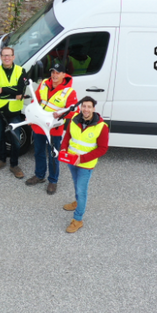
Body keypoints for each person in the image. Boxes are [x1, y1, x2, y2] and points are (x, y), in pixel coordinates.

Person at [58, 96, 110, 234]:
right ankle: (77, 203)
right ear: (81, 107)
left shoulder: (101, 127)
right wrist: (63, 149)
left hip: (85, 164)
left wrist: (82, 158)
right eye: (84, 106)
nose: (86, 109)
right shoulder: (74, 119)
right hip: (71, 160)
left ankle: (78, 220)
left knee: (82, 191)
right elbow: (68, 136)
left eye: (89, 107)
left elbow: (103, 148)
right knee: (76, 184)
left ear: (93, 109)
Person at [26, 62, 77, 194]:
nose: (54, 75)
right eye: (53, 72)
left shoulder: (69, 92)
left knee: (53, 155)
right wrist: (31, 115)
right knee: (38, 152)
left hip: (54, 129)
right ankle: (39, 175)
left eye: (58, 73)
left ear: (64, 75)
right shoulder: (43, 84)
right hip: (39, 126)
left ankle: (53, 181)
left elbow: (74, 111)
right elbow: (35, 101)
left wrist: (61, 113)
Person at [0, 46, 28, 178]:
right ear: (1, 57)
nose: (6, 58)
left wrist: (3, 90)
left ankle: (14, 164)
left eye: (9, 55)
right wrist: (13, 93)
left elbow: (21, 90)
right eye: (4, 55)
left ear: (13, 57)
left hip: (14, 111)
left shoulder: (21, 71)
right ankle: (1, 159)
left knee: (16, 140)